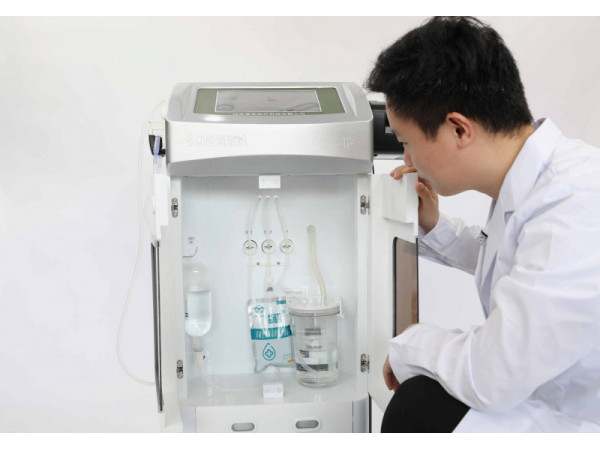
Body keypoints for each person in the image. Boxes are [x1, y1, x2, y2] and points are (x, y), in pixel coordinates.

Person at [365, 16, 600, 432]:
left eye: (406, 142)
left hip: (581, 420)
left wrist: (409, 346)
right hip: (552, 399)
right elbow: (517, 258)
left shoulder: (576, 204)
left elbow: (492, 374)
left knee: (418, 407)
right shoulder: (537, 183)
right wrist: (435, 227)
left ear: (458, 129)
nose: (408, 160)